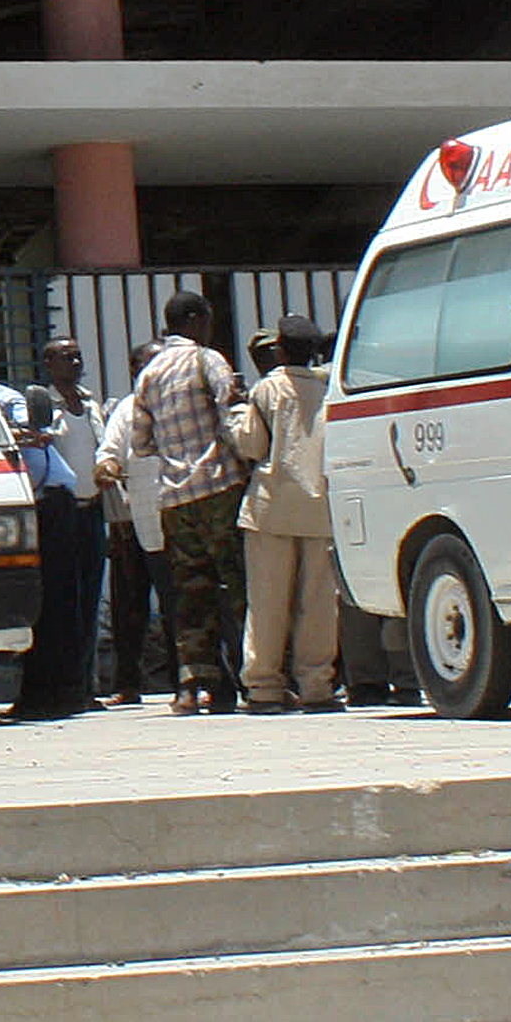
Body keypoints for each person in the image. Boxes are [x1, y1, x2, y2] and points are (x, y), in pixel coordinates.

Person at [97, 295, 247, 715]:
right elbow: (232, 413)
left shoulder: (148, 376)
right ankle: (253, 678)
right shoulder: (208, 361)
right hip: (219, 488)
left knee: (190, 595)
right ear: (196, 320)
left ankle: (196, 684)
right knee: (237, 587)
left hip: (174, 499)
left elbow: (141, 443)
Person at [226, 320, 341, 712]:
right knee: (319, 603)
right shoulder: (330, 388)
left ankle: (263, 688)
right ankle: (316, 686)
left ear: (281, 350)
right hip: (320, 507)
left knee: (268, 602)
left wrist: (235, 412)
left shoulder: (267, 389)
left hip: (271, 507)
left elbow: (251, 445)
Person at [0, 338, 105, 722]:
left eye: (78, 355)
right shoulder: (24, 400)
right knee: (55, 603)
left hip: (87, 507)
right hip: (50, 509)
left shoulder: (89, 403)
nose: (75, 362)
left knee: (84, 602)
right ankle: (51, 692)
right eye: (66, 356)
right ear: (46, 362)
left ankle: (79, 687)